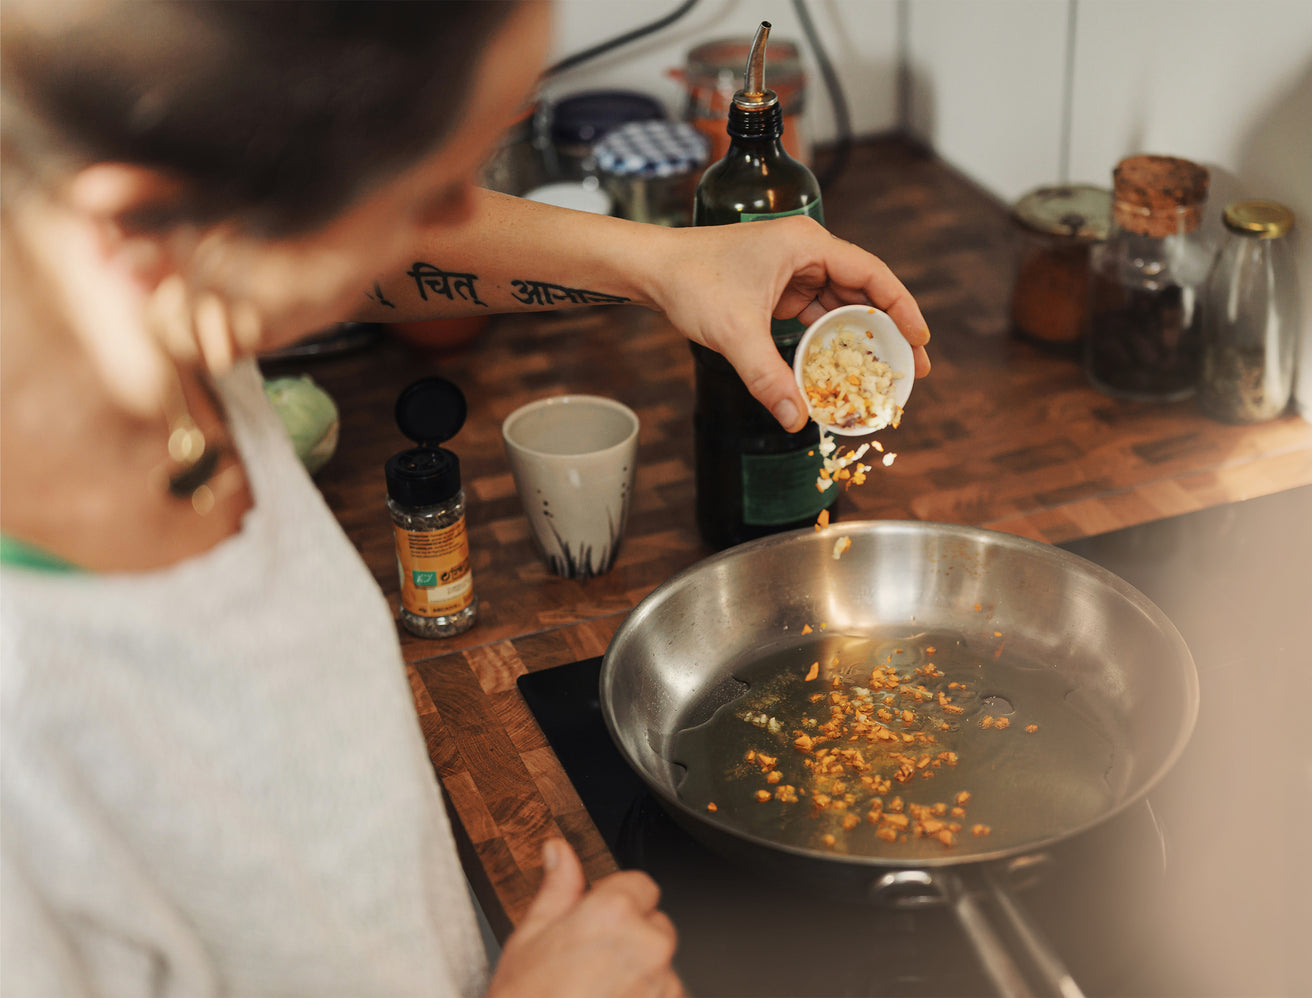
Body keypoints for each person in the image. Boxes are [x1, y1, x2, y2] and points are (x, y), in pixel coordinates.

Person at [0, 2, 931, 996]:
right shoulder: (31, 725)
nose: (453, 226)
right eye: (434, 188)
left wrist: (666, 262)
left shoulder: (148, 318)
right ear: (143, 225)